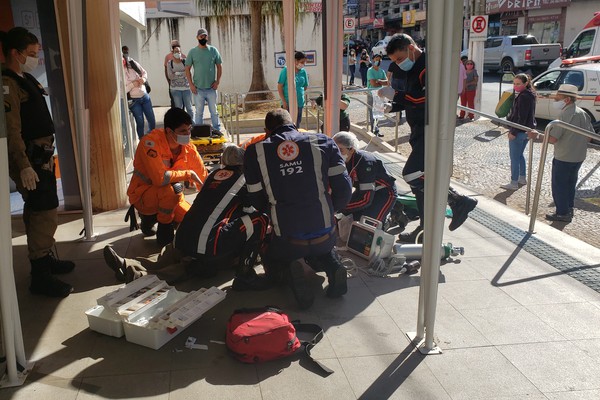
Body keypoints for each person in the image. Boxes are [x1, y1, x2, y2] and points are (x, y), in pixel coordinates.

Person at [104, 145, 270, 289]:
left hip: (182, 235)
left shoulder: (213, 175)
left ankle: (127, 264)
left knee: (168, 256)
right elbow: (251, 209)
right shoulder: (244, 179)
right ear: (243, 163)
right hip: (204, 245)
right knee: (259, 220)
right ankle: (139, 277)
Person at [244, 109, 353, 309]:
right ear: (293, 124)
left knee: (272, 249)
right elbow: (345, 190)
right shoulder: (324, 142)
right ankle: (332, 265)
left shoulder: (254, 152)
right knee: (321, 240)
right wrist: (330, 211)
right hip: (326, 234)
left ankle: (290, 271)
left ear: (266, 131)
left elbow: (255, 198)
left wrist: (272, 214)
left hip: (288, 239)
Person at [1, 27, 75, 297]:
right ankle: (40, 275)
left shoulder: (25, 78)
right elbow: (12, 130)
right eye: (31, 54)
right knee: (44, 211)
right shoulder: (7, 84)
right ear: (15, 53)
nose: (35, 58)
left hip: (40, 154)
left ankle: (44, 259)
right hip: (30, 158)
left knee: (40, 210)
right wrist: (23, 165)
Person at [385, 33, 478, 243]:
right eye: (395, 62)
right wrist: (394, 105)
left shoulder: (428, 65)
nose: (399, 64)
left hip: (432, 128)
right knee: (420, 185)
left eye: (399, 59)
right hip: (419, 128)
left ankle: (457, 200)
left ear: (410, 47)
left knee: (412, 174)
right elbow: (414, 97)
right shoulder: (412, 67)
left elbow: (427, 97)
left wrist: (396, 96)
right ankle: (425, 231)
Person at [127, 107, 208, 247]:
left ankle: (165, 220)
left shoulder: (189, 149)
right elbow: (160, 179)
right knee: (171, 190)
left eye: (189, 129)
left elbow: (203, 180)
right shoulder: (150, 143)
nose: (188, 134)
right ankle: (160, 230)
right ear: (169, 131)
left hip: (174, 198)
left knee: (194, 224)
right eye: (183, 131)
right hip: (144, 195)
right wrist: (188, 174)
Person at [527, 84, 594, 222]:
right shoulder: (582, 112)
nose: (555, 101)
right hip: (578, 156)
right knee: (570, 184)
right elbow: (589, 136)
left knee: (559, 185)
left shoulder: (565, 114)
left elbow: (552, 138)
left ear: (567, 100)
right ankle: (568, 208)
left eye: (558, 98)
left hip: (564, 156)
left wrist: (537, 136)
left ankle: (562, 212)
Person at [333, 131, 397, 223]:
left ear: (352, 150)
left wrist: (339, 208)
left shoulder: (366, 163)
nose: (336, 153)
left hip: (384, 192)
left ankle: (391, 218)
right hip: (363, 190)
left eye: (340, 150)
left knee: (368, 226)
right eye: (334, 149)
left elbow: (365, 200)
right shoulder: (344, 160)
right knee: (352, 219)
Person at [502, 73, 536, 190]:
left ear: (526, 83)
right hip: (527, 130)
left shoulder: (524, 96)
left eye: (518, 84)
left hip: (520, 131)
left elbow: (520, 117)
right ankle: (522, 177)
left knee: (515, 157)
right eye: (514, 83)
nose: (515, 86)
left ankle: (514, 182)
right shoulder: (530, 94)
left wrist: (513, 132)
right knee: (520, 155)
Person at [185, 28, 222, 131]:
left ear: (207, 37)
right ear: (197, 37)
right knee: (199, 113)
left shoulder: (213, 50)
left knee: (214, 112)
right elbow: (187, 68)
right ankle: (198, 132)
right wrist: (191, 85)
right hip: (198, 89)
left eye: (205, 36)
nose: (203, 38)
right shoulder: (192, 52)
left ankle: (217, 130)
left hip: (211, 88)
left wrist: (217, 82)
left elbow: (219, 66)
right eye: (201, 36)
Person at [123, 45, 156, 139]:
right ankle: (142, 141)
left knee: (151, 119)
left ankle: (152, 137)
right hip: (134, 100)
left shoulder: (133, 63)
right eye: (124, 53)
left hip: (144, 96)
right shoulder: (120, 71)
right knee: (140, 121)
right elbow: (123, 90)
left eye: (126, 52)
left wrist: (143, 79)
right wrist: (133, 84)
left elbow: (144, 72)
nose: (126, 55)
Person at [277, 51, 309, 127]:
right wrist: (284, 101)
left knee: (297, 124)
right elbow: (280, 86)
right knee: (287, 125)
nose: (303, 64)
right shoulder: (286, 70)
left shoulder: (303, 71)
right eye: (302, 62)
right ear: (296, 61)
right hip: (288, 103)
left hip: (299, 103)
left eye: (304, 62)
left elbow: (305, 86)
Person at [166, 46, 194, 118]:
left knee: (189, 108)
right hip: (175, 89)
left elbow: (189, 73)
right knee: (179, 109)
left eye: (179, 52)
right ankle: (180, 125)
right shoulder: (170, 63)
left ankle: (192, 124)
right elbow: (170, 76)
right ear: (172, 53)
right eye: (175, 52)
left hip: (186, 88)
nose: (177, 53)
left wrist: (176, 73)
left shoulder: (185, 61)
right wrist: (182, 73)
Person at [367, 54, 388, 137]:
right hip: (371, 94)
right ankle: (372, 130)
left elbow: (387, 82)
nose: (378, 61)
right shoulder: (370, 70)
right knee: (372, 112)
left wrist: (378, 81)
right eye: (376, 59)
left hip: (379, 94)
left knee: (378, 112)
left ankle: (377, 130)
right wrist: (381, 82)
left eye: (379, 60)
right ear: (373, 60)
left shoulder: (381, 71)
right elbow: (373, 84)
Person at [164, 39, 186, 108]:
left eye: (177, 46)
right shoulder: (168, 57)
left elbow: (187, 71)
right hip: (173, 85)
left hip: (183, 85)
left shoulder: (183, 57)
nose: (175, 47)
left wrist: (176, 73)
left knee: (184, 103)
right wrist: (169, 81)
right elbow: (166, 71)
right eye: (174, 46)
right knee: (174, 102)